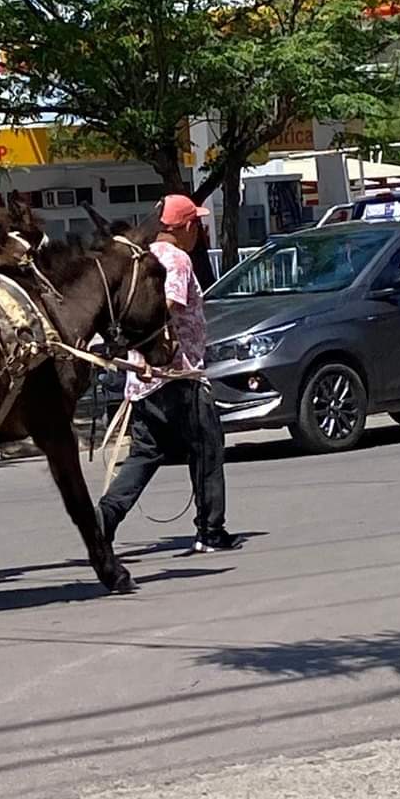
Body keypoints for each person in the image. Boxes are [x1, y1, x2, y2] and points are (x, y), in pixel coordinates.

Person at [97, 194, 241, 553]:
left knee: (146, 453)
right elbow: (170, 305)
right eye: (198, 225)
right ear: (188, 226)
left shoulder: (141, 259)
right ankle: (210, 530)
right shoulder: (176, 260)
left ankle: (104, 520)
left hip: (144, 379)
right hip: (180, 374)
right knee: (207, 448)